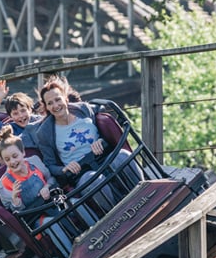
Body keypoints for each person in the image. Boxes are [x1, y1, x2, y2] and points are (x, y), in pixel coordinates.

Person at [32, 77, 138, 208]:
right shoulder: (44, 132)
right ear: (46, 107)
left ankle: (144, 192)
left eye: (58, 99)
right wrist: (64, 168)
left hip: (102, 157)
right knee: (92, 180)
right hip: (82, 171)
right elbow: (50, 165)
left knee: (122, 156)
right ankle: (118, 211)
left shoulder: (83, 109)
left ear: (65, 98)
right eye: (50, 103)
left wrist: (101, 140)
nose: (55, 105)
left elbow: (104, 130)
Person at [0, 126, 74, 254]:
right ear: (3, 162)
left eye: (15, 156)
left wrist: (47, 187)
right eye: (7, 159)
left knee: (73, 202)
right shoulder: (4, 184)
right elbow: (16, 213)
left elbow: (52, 180)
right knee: (50, 222)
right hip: (36, 216)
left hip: (52, 202)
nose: (13, 161)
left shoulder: (34, 162)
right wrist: (15, 199)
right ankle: (71, 254)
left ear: (23, 153)